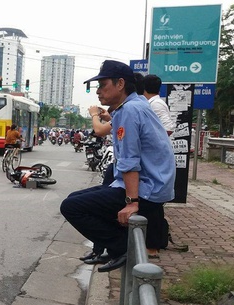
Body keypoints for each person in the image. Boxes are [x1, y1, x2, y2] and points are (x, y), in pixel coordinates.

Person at [60, 60, 175, 272]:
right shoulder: (130, 107)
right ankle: (113, 246)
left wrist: (132, 203)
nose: (98, 92)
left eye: (103, 85)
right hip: (147, 184)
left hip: (147, 189)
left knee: (71, 207)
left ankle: (122, 247)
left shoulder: (131, 110)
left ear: (120, 84)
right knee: (73, 199)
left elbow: (131, 161)